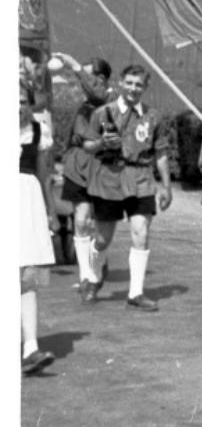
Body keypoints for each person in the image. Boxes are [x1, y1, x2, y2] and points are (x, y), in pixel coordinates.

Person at [82, 64, 173, 311]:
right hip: (108, 178)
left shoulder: (152, 117)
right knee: (103, 238)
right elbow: (87, 146)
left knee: (140, 232)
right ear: (121, 83)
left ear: (145, 87)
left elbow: (161, 153)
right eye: (130, 83)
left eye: (139, 85)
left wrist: (166, 186)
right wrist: (102, 143)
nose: (133, 88)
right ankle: (93, 276)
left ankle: (136, 293)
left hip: (141, 178)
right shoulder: (103, 113)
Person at [49, 52, 112, 302]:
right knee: (81, 219)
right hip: (77, 166)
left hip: (101, 168)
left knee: (102, 228)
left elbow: (97, 95)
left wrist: (75, 65)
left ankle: (98, 264)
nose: (81, 79)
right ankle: (86, 275)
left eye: (87, 74)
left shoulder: (109, 99)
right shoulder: (85, 103)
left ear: (101, 78)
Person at [20, 52, 58, 374]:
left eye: (22, 100)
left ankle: (30, 348)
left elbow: (45, 175)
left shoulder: (37, 130)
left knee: (26, 276)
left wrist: (50, 212)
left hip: (27, 200)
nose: (17, 105)